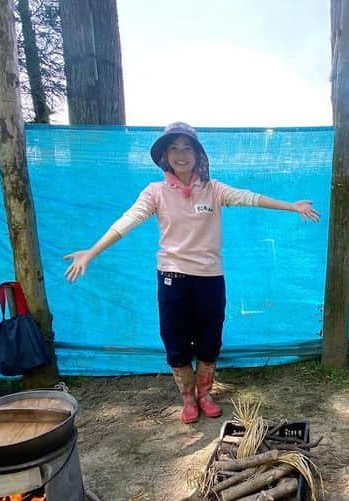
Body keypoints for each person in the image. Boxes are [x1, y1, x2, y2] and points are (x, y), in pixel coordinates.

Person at [64, 122, 320, 424]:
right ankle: (187, 399)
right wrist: (92, 251)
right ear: (164, 155)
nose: (181, 154)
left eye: (187, 148)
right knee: (175, 340)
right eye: (173, 148)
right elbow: (128, 220)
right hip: (172, 278)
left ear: (198, 154)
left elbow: (250, 197)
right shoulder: (155, 192)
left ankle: (205, 395)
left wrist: (292, 206)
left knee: (210, 340)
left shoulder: (214, 190)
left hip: (210, 279)